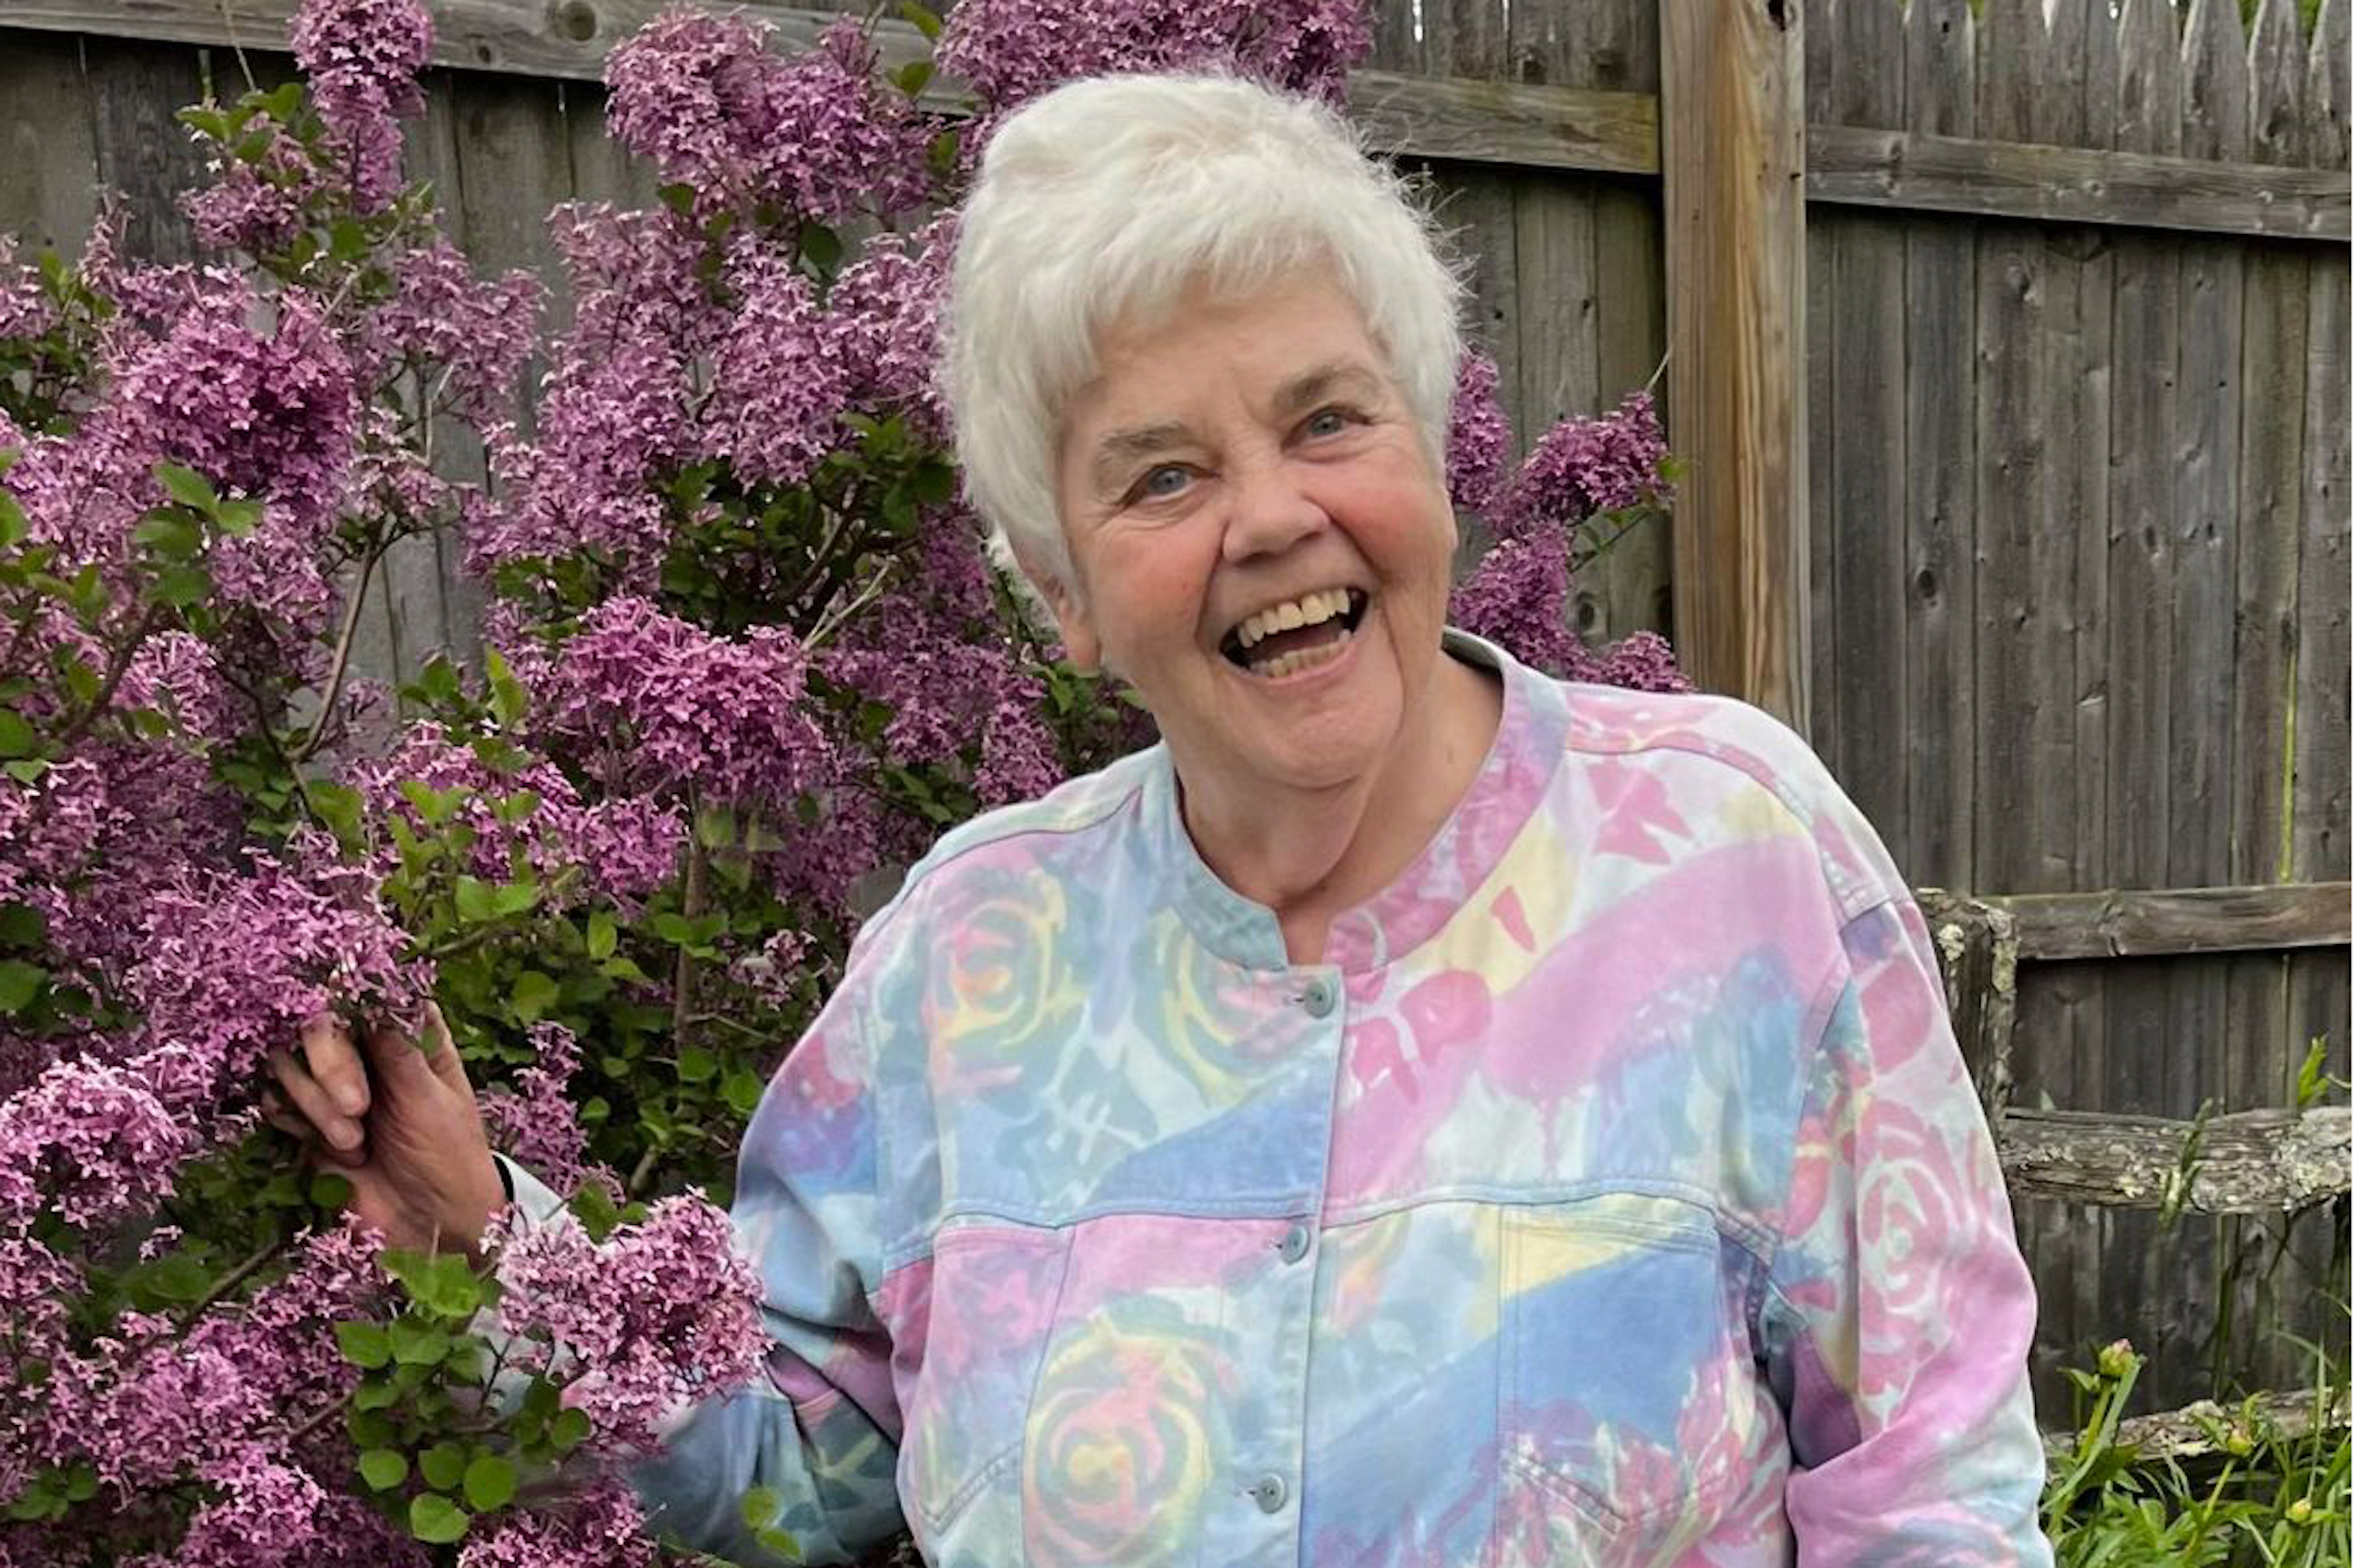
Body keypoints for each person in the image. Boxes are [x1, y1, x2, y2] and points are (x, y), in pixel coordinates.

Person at [269, 72, 2055, 1568]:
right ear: (1063, 593)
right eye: (1165, 475)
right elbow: (785, 1480)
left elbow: (1934, 1493)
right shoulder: (966, 963)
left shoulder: (1726, 860)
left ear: (1429, 454)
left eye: (1327, 419)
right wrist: (481, 1246)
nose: (1273, 517)